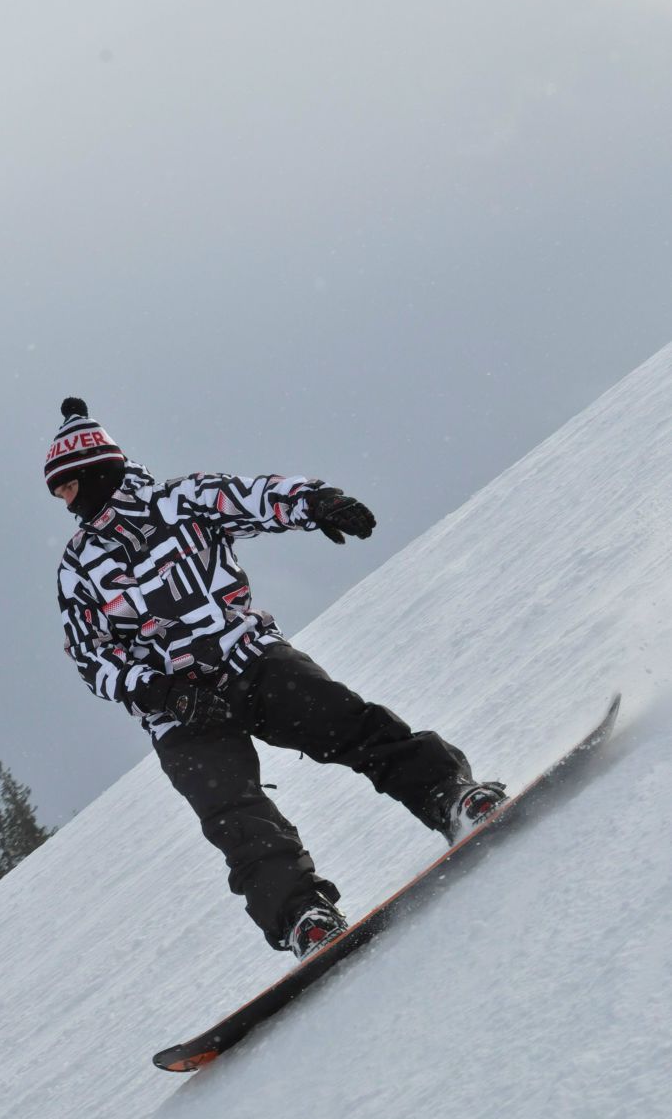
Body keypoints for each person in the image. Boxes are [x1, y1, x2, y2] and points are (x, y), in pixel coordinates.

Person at [47, 398, 504, 961]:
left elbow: (254, 496)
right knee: (234, 816)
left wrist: (318, 503)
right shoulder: (79, 566)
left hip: (248, 660)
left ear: (95, 472)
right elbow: (91, 655)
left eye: (67, 486)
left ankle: (450, 797)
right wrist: (160, 690)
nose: (64, 501)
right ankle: (302, 916)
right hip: (179, 713)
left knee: (349, 723)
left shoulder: (182, 501)